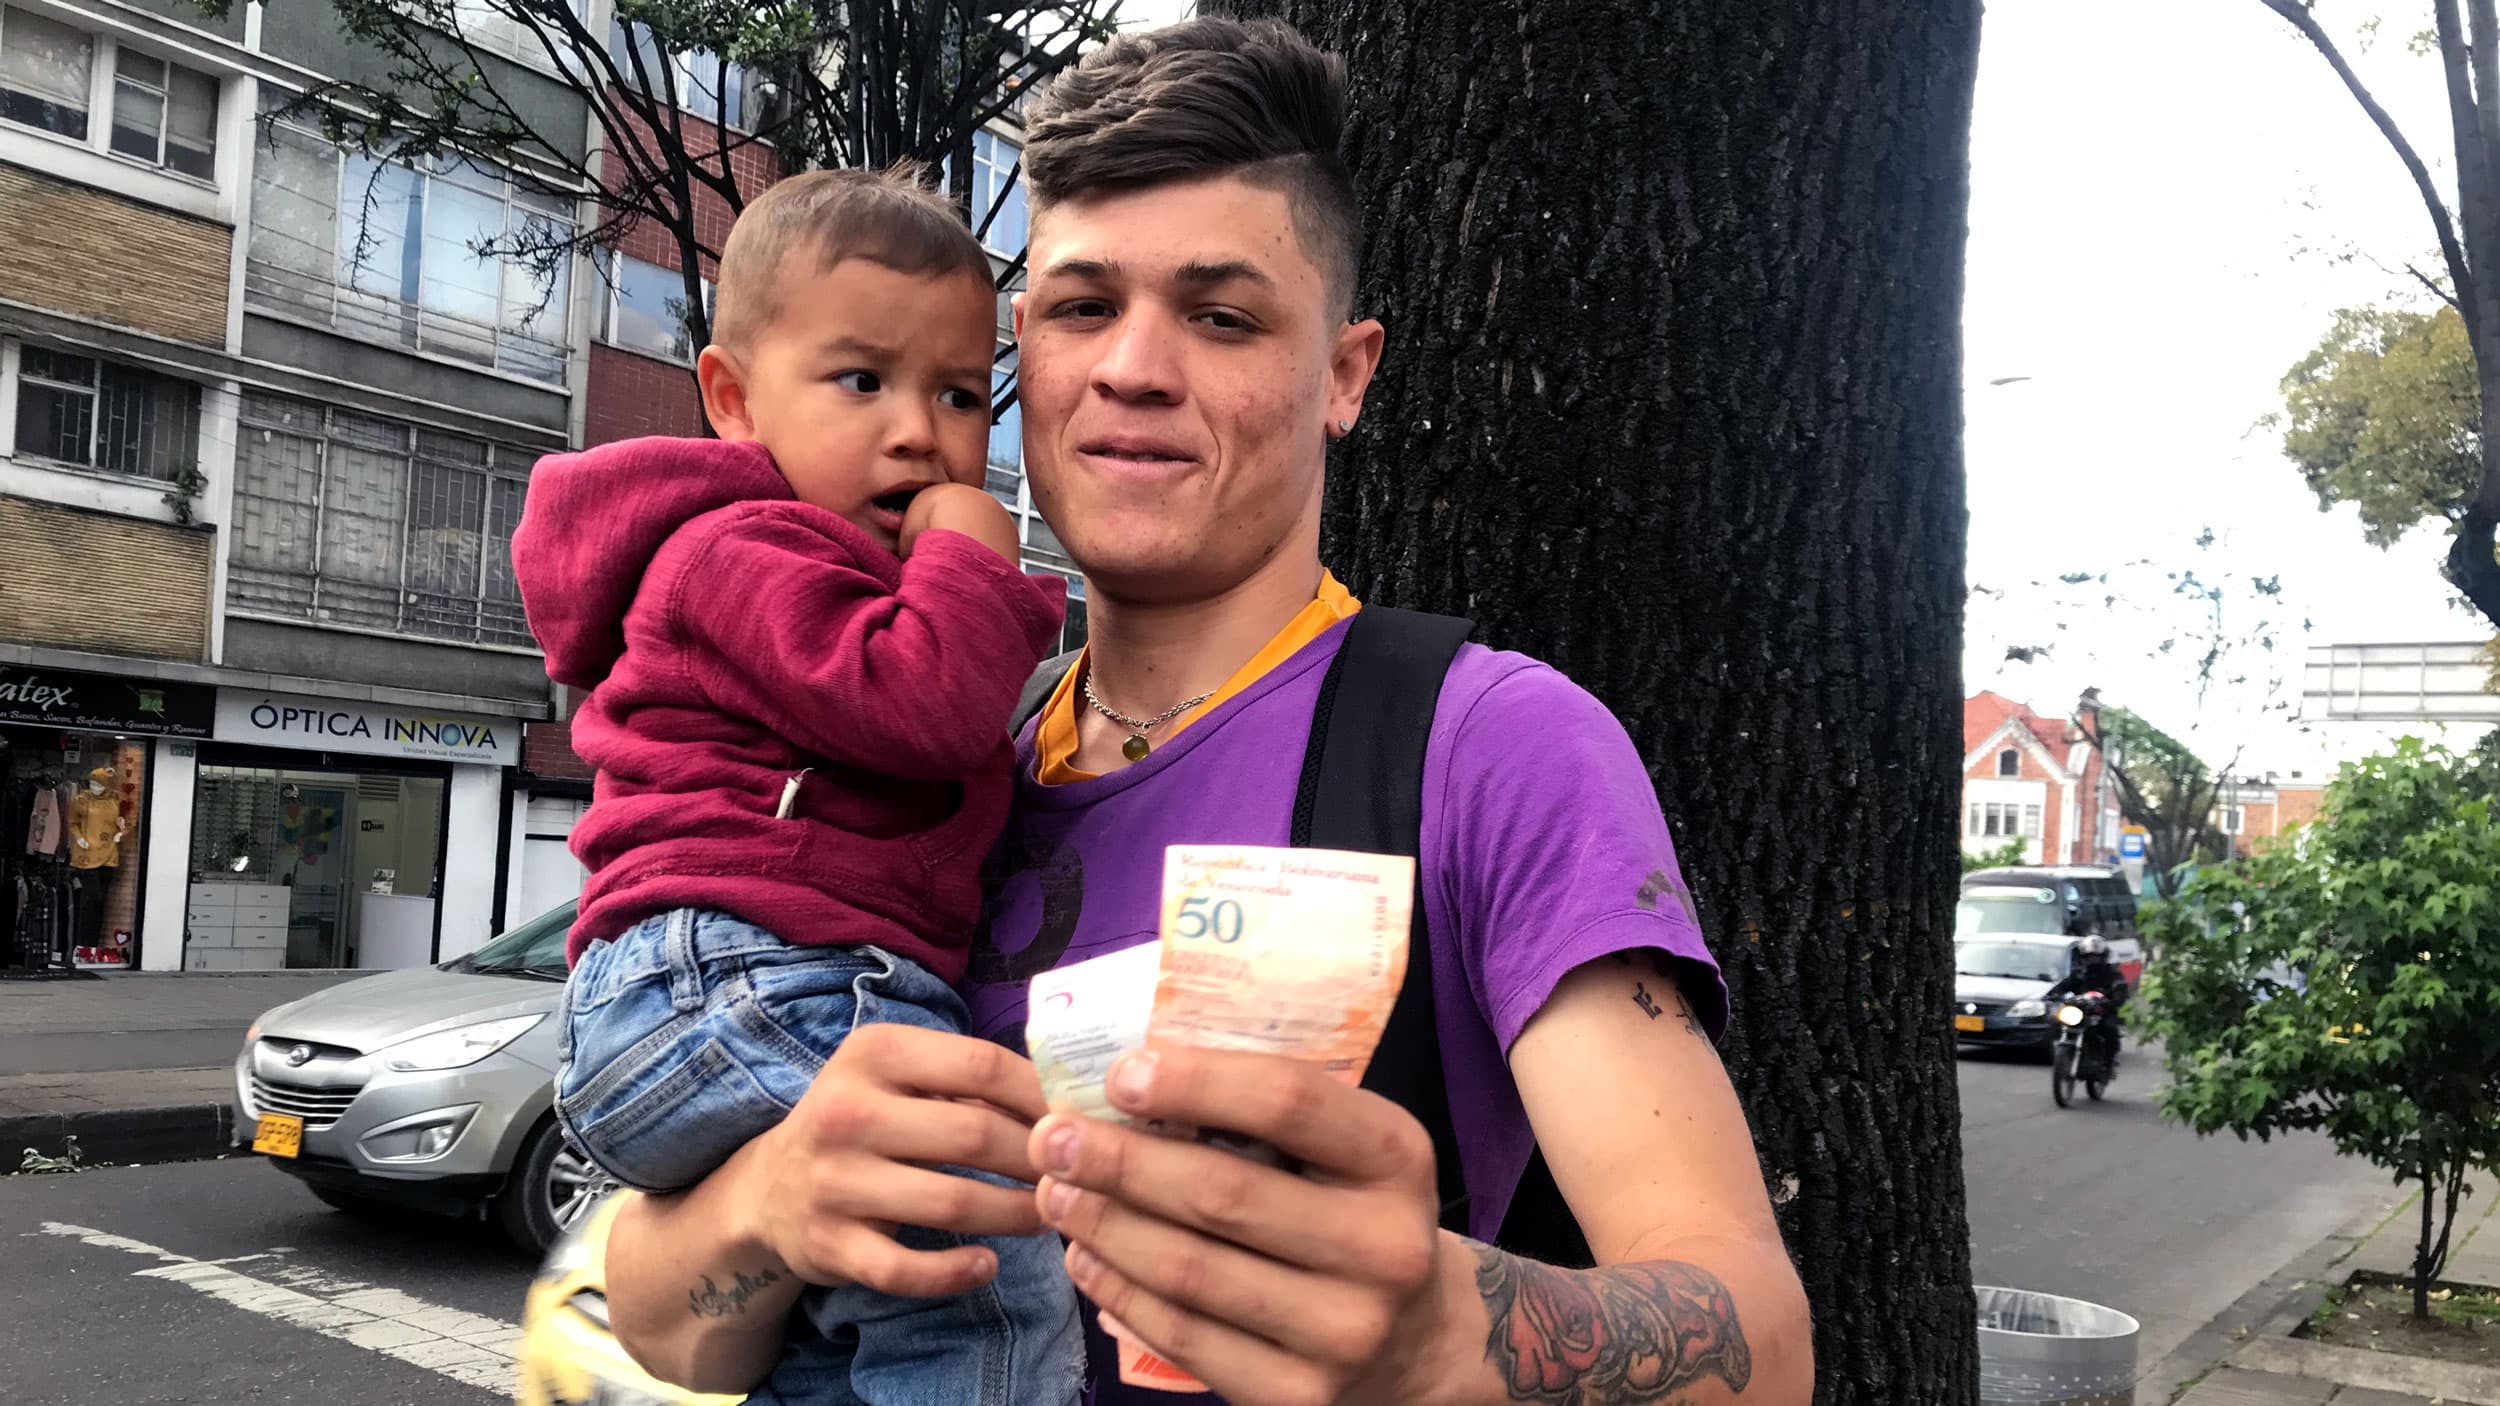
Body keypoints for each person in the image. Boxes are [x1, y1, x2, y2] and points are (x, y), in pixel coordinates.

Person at [601, 19, 1814, 1406]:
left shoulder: (1491, 747)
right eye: (1079, 307)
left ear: (1346, 373)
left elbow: (1761, 1343)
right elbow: (657, 1312)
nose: (1133, 367)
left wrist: (1440, 1330)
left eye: (1222, 314)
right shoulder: (931, 760)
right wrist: (770, 1200)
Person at [509, 168, 1082, 1405]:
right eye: (861, 380)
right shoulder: (741, 546)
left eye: (961, 392)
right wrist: (976, 561)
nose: (919, 431)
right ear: (732, 397)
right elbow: (923, 703)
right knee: (976, 1251)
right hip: (745, 973)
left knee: (842, 1325)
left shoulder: (822, 566)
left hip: (720, 996)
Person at [2046, 934, 2128, 1065]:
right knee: (2056, 1019)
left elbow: (2120, 987)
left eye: (2096, 956)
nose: (2092, 960)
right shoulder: (2079, 973)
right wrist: (2053, 994)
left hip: (2102, 1009)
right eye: (2089, 957)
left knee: (2109, 1028)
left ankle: (2109, 1060)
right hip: (2081, 1008)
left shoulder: (2112, 973)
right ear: (2083, 957)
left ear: (2103, 956)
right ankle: (2058, 1049)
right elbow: (2064, 985)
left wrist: (2115, 999)